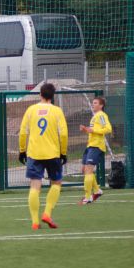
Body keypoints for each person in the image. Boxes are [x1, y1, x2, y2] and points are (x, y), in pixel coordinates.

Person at [17, 83, 68, 230]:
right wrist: (63, 152)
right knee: (56, 183)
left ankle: (35, 222)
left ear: (40, 94)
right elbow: (63, 134)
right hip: (52, 153)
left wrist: (22, 150)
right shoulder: (57, 111)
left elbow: (23, 132)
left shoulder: (31, 110)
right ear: (53, 96)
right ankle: (47, 213)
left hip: (34, 153)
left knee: (35, 186)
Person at [79, 96, 112, 204]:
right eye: (93, 103)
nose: (93, 104)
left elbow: (108, 128)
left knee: (88, 170)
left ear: (101, 105)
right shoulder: (95, 116)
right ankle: (97, 190)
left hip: (96, 146)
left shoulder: (102, 115)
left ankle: (88, 197)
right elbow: (92, 131)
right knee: (84, 170)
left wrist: (92, 130)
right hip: (90, 146)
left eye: (95, 103)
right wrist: (86, 130)